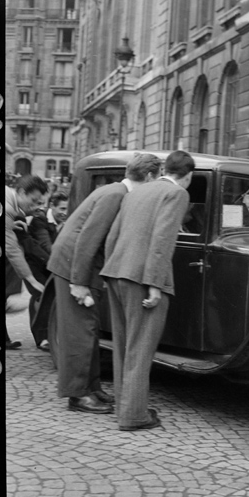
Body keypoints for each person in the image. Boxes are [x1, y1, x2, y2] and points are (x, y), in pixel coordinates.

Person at [47, 153, 162, 414]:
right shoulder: (116, 195)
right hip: (73, 266)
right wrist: (78, 282)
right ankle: (77, 396)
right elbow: (88, 239)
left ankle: (91, 387)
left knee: (90, 327)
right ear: (149, 176)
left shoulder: (116, 192)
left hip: (79, 265)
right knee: (80, 331)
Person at [100, 150, 194, 432]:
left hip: (116, 271)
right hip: (142, 278)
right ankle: (134, 416)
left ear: (166, 169)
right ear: (188, 176)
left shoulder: (136, 191)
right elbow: (163, 239)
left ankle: (124, 407)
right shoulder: (177, 194)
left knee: (123, 345)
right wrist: (155, 284)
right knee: (140, 348)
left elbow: (113, 235)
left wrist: (110, 269)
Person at [4, 175, 49, 349]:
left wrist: (9, 225)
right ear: (22, 192)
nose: (35, 205)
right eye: (33, 200)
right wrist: (30, 279)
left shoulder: (9, 200)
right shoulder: (8, 207)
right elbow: (12, 249)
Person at [21, 191, 69, 349]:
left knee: (49, 297)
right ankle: (41, 338)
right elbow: (45, 246)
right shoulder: (40, 220)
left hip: (50, 265)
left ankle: (49, 334)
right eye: (61, 208)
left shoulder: (66, 220)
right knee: (40, 295)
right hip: (34, 265)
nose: (65, 212)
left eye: (67, 209)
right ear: (52, 206)